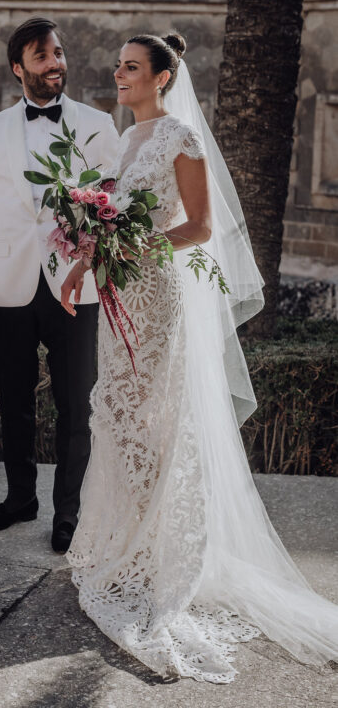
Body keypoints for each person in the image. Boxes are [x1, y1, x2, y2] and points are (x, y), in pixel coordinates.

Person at [60, 33, 338, 682]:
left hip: (156, 300)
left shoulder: (179, 138)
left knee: (156, 422)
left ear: (162, 77)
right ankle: (125, 547)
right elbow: (106, 220)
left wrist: (135, 247)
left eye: (132, 67)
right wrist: (86, 256)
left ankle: (160, 558)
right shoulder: (123, 142)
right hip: (119, 299)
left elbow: (199, 227)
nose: (119, 74)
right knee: (121, 420)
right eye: (119, 65)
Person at [0, 17, 119, 553]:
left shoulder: (98, 124)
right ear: (18, 68)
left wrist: (89, 262)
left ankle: (68, 513)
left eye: (58, 53)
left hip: (76, 286)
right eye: (42, 56)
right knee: (14, 402)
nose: (55, 63)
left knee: (76, 406)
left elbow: (112, 205)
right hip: (5, 287)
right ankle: (20, 499)